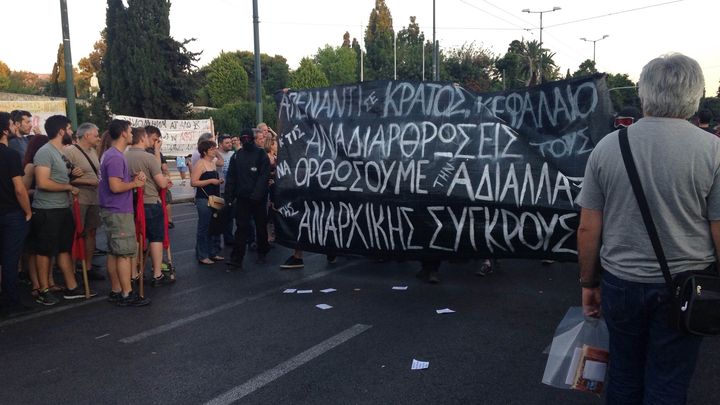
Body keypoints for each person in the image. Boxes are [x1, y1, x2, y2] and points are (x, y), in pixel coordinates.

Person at [577, 53, 715, 404]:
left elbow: (589, 228)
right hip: (687, 285)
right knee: (668, 379)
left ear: (643, 94)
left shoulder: (608, 147)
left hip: (621, 282)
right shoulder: (713, 151)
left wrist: (588, 284)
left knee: (623, 372)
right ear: (696, 94)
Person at [30, 115, 92, 305]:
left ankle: (72, 287)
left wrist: (72, 177)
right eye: (69, 128)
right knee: (45, 251)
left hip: (62, 208)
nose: (72, 132)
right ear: (61, 131)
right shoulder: (45, 152)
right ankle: (43, 289)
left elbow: (61, 178)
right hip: (47, 210)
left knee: (64, 249)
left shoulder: (61, 152)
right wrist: (68, 187)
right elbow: (42, 182)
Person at [99, 119, 150, 307]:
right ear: (122, 133)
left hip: (113, 209)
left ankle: (116, 289)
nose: (131, 134)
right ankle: (127, 293)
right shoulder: (115, 157)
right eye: (130, 131)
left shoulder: (110, 154)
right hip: (118, 210)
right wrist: (135, 184)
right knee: (123, 253)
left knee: (114, 252)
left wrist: (131, 178)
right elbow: (115, 186)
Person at [125, 127, 173, 286]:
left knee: (136, 238)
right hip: (151, 201)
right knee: (156, 238)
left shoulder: (124, 156)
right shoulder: (148, 157)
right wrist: (166, 180)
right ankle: (157, 273)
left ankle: (133, 273)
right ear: (142, 138)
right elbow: (160, 182)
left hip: (131, 201)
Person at [0, 112, 33, 317]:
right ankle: (11, 302)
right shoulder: (10, 155)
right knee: (10, 259)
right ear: (5, 130)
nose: (14, 127)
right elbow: (19, 189)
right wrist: (27, 211)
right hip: (11, 213)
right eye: (12, 124)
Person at [63, 122, 104, 281]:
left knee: (91, 232)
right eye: (95, 134)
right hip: (79, 199)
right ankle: (72, 268)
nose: (98, 137)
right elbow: (63, 178)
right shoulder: (70, 152)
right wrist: (83, 181)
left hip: (93, 199)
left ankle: (87, 266)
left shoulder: (93, 151)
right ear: (86, 135)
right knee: (75, 233)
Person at [225, 128, 270, 269]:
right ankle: (237, 258)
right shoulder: (237, 156)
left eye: (247, 138)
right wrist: (229, 197)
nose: (245, 141)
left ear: (252, 139)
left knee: (260, 227)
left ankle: (262, 251)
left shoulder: (261, 154)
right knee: (241, 228)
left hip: (258, 199)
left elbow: (264, 176)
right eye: (243, 138)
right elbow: (231, 178)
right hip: (243, 198)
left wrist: (257, 195)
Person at [191, 140, 223, 265]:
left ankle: (213, 252)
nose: (214, 150)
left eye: (215, 148)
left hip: (215, 197)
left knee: (215, 225)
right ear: (205, 151)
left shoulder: (213, 162)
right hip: (203, 198)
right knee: (204, 227)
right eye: (212, 149)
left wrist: (217, 152)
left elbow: (221, 161)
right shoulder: (200, 164)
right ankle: (202, 255)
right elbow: (193, 182)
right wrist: (210, 181)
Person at [144, 125, 175, 228]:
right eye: (154, 139)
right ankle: (168, 220)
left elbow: (165, 168)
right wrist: (157, 150)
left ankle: (168, 220)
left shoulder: (156, 152)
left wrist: (166, 177)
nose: (156, 143)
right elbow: (158, 167)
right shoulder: (149, 152)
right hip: (150, 190)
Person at [216, 134, 235, 247]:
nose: (230, 144)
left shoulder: (233, 154)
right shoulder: (215, 156)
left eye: (230, 142)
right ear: (220, 144)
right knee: (218, 217)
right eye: (227, 143)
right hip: (219, 191)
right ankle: (217, 242)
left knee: (230, 216)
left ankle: (229, 238)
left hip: (230, 191)